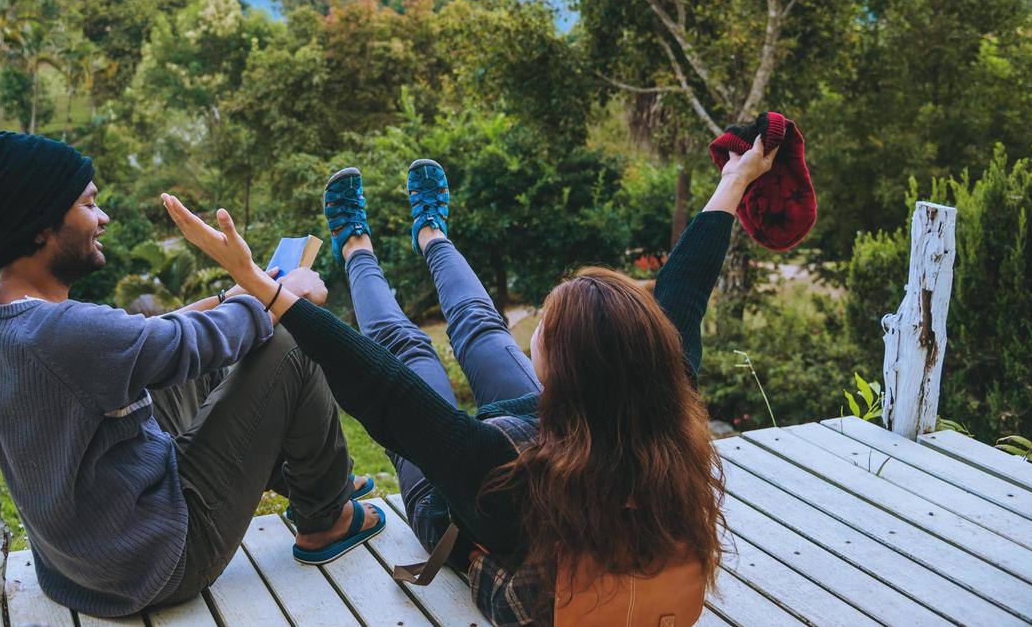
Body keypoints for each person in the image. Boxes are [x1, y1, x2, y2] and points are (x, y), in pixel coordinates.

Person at [162, 137, 779, 626]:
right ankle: (432, 232)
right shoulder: (664, 412)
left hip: (465, 511)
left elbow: (385, 393)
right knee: (482, 329)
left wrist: (261, 285)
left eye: (546, 330)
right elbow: (685, 293)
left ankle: (356, 248)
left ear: (566, 378)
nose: (535, 329)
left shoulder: (505, 473)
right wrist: (736, 178)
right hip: (564, 483)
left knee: (404, 348)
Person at [0, 132, 383, 620]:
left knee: (209, 356)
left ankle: (320, 482)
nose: (103, 218)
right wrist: (285, 296)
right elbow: (179, 340)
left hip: (86, 558)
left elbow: (149, 340)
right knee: (287, 343)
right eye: (89, 205)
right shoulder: (61, 331)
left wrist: (234, 295)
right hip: (157, 559)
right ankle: (328, 518)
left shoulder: (4, 312)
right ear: (39, 227)